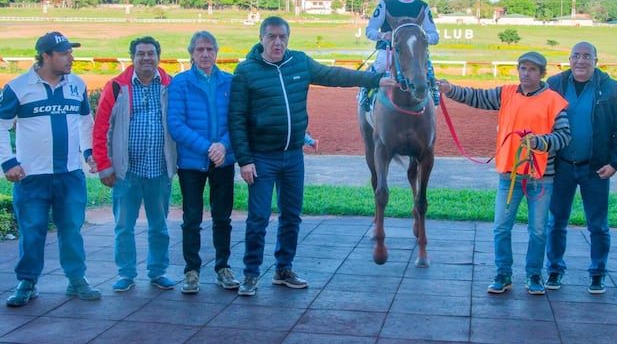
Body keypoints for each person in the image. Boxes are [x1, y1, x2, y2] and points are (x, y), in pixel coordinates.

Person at [228, 16, 396, 296]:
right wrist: (245, 160)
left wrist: (375, 79)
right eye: (271, 37)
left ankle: (283, 269)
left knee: (291, 216)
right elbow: (236, 119)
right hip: (262, 159)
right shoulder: (246, 72)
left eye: (282, 36)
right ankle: (251, 273)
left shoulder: (300, 62)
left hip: (293, 156)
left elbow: (335, 76)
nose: (277, 42)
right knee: (258, 219)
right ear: (261, 39)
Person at [438, 52, 570, 295]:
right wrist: (450, 89)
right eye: (522, 68)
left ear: (542, 74)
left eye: (531, 69)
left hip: (540, 178)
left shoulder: (554, 101)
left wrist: (540, 142)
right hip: (509, 176)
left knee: (538, 231)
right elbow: (477, 97)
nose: (525, 73)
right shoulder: (506, 93)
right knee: (500, 227)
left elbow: (564, 136)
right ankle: (503, 274)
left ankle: (533, 275)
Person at [1, 32, 102, 307]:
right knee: (32, 230)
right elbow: (1, 125)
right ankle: (27, 282)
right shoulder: (18, 87)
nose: (71, 58)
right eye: (64, 53)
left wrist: (89, 152)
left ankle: (76, 279)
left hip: (70, 174)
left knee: (71, 229)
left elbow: (84, 122)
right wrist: (8, 162)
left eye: (71, 51)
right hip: (32, 176)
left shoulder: (77, 85)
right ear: (45, 56)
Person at [545, 41, 617, 294]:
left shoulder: (611, 89)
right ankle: (554, 269)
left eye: (586, 56)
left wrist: (616, 162)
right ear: (569, 60)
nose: (580, 61)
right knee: (556, 221)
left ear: (595, 61)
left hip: (595, 169)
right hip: (561, 167)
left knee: (598, 224)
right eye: (576, 56)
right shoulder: (554, 85)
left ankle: (597, 272)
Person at [93, 36, 177, 292]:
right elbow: (101, 128)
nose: (146, 58)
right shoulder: (117, 87)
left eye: (151, 53)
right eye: (141, 54)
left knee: (159, 226)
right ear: (132, 57)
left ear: (158, 57)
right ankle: (126, 273)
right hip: (126, 172)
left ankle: (157, 271)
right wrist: (104, 164)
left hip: (159, 170)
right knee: (124, 226)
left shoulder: (170, 85)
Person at [168, 31, 239, 295]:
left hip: (223, 160)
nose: (206, 54)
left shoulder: (230, 82)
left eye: (210, 49)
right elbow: (176, 124)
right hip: (191, 163)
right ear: (192, 54)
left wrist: (223, 145)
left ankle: (223, 267)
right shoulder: (180, 83)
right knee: (191, 218)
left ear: (216, 52)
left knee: (223, 217)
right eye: (200, 50)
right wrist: (208, 147)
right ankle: (192, 271)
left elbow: (237, 121)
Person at [358, 0, 440, 110]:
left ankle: (434, 91)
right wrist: (383, 35)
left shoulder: (423, 6)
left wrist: (425, 38)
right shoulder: (385, 3)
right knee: (382, 64)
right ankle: (365, 90)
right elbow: (370, 30)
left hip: (414, 50)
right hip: (389, 49)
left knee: (427, 67)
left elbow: (434, 35)